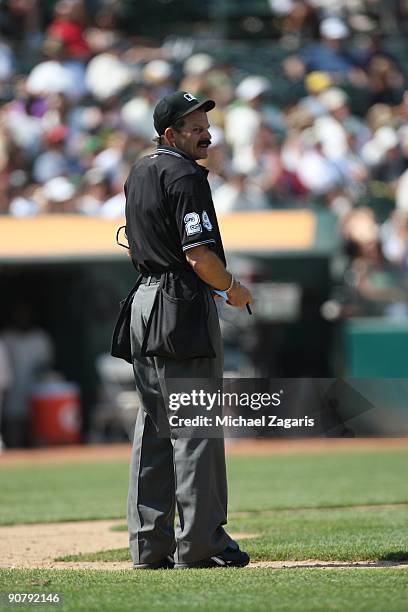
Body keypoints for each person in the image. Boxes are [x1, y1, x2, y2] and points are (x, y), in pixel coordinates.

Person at [124, 91, 253, 569]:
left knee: (155, 427)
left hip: (143, 301)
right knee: (196, 426)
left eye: (204, 124)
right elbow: (199, 257)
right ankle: (203, 546)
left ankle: (149, 548)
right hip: (178, 303)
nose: (205, 132)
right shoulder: (184, 173)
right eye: (193, 126)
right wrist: (233, 288)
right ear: (169, 134)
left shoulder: (139, 170)